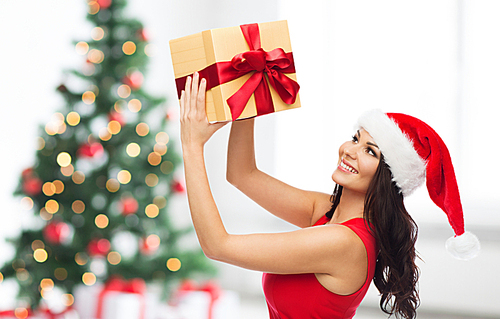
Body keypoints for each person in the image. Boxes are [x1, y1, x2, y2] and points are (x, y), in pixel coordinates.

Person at [178, 72, 480, 319]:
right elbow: (242, 175)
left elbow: (217, 245)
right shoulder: (326, 211)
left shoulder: (343, 242)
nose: (349, 150)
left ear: (389, 178)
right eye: (355, 139)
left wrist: (192, 146)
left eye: (369, 151)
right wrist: (249, 96)